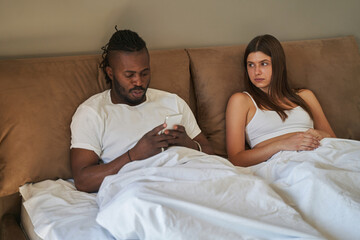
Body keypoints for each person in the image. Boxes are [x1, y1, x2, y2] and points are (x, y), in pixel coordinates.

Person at [70, 29, 213, 193]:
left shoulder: (173, 101)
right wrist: (135, 155)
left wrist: (189, 144)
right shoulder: (92, 113)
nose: (139, 81)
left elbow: (210, 153)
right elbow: (83, 181)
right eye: (129, 75)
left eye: (144, 73)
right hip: (144, 187)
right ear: (111, 73)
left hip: (193, 179)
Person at [226, 34, 336, 167]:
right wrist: (283, 144)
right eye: (251, 65)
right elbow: (236, 159)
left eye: (264, 64)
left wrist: (319, 134)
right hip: (285, 163)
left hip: (323, 154)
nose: (257, 72)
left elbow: (334, 139)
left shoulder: (305, 96)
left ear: (279, 65)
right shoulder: (241, 101)